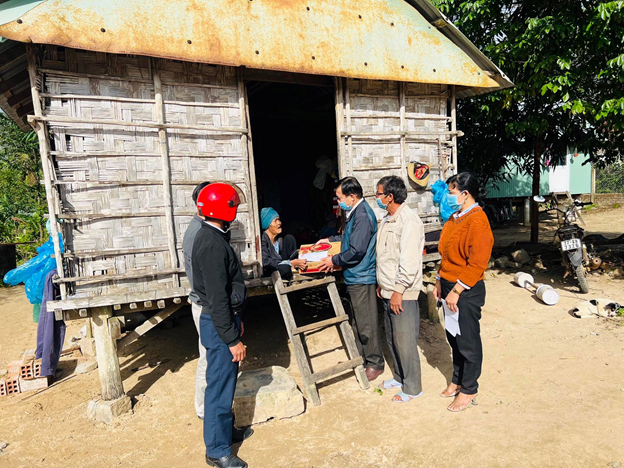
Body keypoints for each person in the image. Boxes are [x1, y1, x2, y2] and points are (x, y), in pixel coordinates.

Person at [192, 183, 252, 468]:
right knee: (218, 387)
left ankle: (226, 432)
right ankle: (217, 451)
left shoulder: (214, 236)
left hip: (224, 320)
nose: (235, 209)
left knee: (226, 383)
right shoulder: (212, 244)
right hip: (218, 325)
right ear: (222, 209)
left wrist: (235, 322)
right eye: (233, 206)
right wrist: (231, 338)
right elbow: (217, 299)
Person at [434, 172, 494, 412]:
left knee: (467, 341)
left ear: (465, 194)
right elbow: (447, 254)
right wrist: (439, 280)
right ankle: (458, 379)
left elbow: (478, 263)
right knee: (454, 337)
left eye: (451, 192)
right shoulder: (455, 217)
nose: (448, 196)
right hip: (449, 286)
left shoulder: (478, 220)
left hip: (466, 290)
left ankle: (469, 388)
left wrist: (457, 290)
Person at [316, 177, 384, 381]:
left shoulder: (362, 215)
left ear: (352, 197)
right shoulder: (354, 213)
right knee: (358, 321)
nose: (338, 202)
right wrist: (330, 240)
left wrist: (334, 259)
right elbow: (349, 240)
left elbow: (356, 249)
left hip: (362, 276)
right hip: (354, 275)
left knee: (367, 323)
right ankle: (359, 358)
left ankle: (375, 363)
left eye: (340, 197)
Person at [375, 175, 425, 403]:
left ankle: (413, 387)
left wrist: (398, 290)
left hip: (402, 292)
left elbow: (409, 261)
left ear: (390, 196)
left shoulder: (409, 221)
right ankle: (399, 376)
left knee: (405, 340)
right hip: (387, 289)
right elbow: (385, 256)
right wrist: (382, 284)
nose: (377, 198)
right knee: (392, 337)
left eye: (379, 194)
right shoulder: (387, 219)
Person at [182, 181, 211, 420]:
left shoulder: (201, 228)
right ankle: (204, 409)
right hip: (205, 305)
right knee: (208, 357)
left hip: (204, 303)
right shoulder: (199, 233)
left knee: (210, 356)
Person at [261, 207, 307, 280]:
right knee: (285, 269)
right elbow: (266, 262)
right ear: (267, 225)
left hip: (286, 265)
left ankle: (294, 268)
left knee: (289, 238)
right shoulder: (262, 240)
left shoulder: (281, 239)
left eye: (278, 219)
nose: (279, 223)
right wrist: (290, 263)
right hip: (272, 269)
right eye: (275, 221)